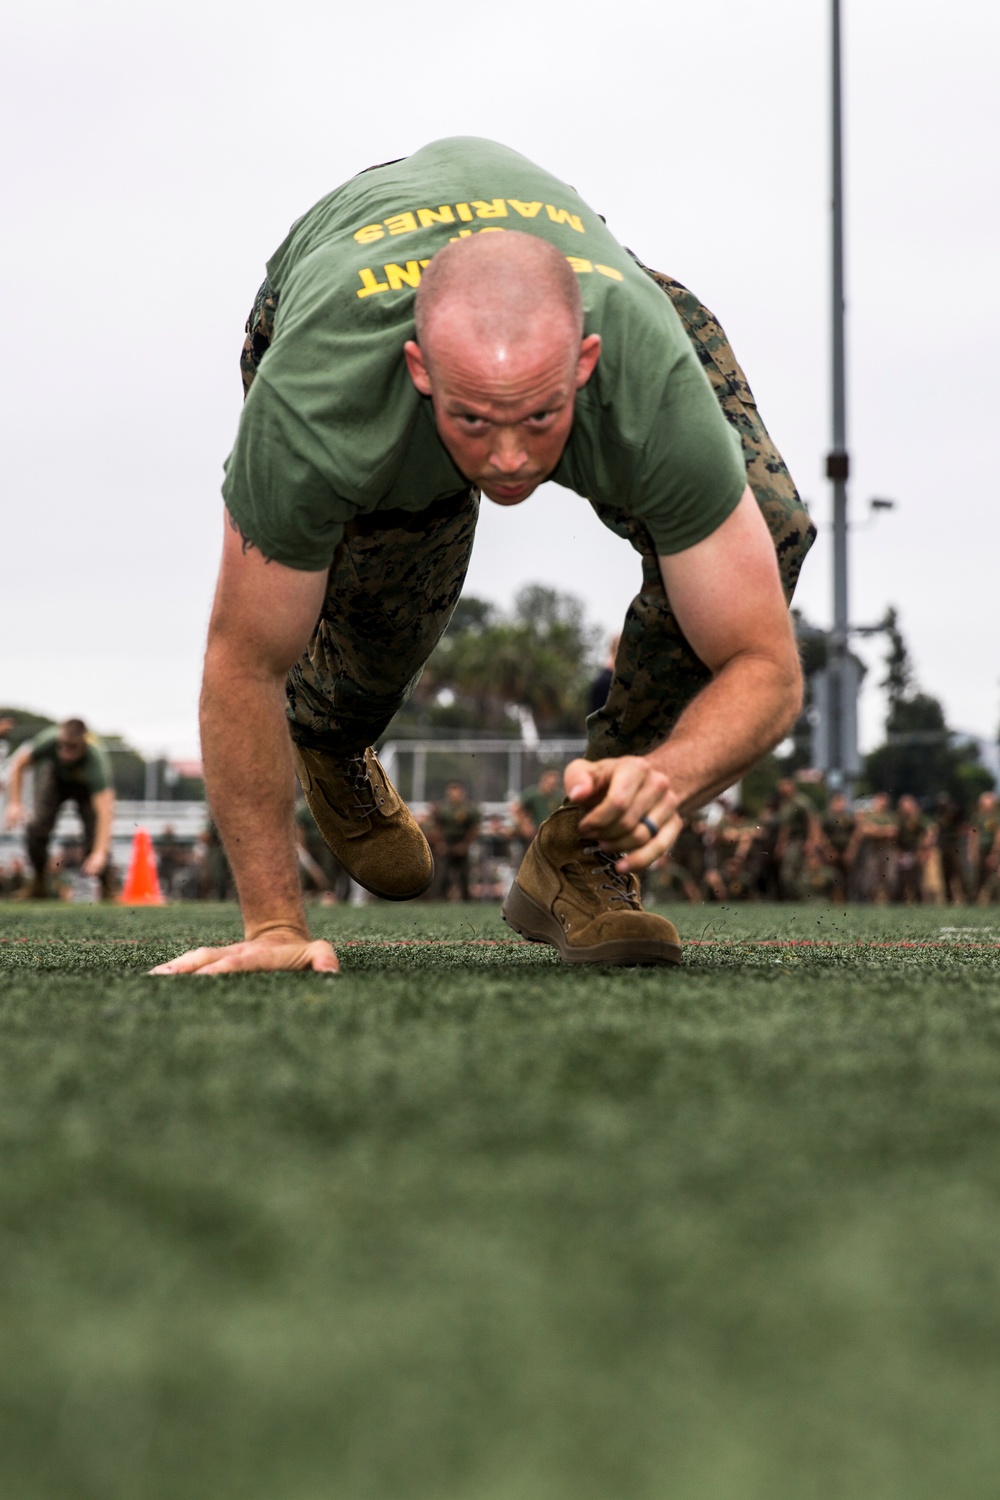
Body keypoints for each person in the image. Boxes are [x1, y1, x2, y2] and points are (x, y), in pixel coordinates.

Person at [151, 137, 812, 977]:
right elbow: (244, 659)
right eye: (472, 422)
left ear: (586, 364)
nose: (507, 461)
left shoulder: (645, 376)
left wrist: (667, 776)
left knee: (770, 522)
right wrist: (273, 928)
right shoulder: (321, 396)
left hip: (578, 274)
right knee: (400, 564)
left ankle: (584, 847)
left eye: (538, 419)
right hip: (334, 275)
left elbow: (765, 662)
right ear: (418, 371)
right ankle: (332, 734)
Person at [3, 718, 115, 899]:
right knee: (37, 827)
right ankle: (39, 884)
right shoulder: (48, 741)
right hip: (56, 780)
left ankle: (107, 889)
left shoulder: (96, 761)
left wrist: (100, 852)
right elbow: (18, 765)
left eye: (72, 747)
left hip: (85, 789)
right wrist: (14, 803)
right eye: (62, 745)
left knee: (95, 836)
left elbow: (105, 811)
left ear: (83, 744)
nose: (65, 752)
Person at [426, 781, 482, 902]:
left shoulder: (469, 808)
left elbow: (474, 828)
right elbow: (437, 826)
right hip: (446, 842)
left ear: (462, 793)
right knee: (441, 873)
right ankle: (438, 899)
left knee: (464, 874)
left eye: (456, 793)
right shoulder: (442, 808)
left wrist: (465, 845)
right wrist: (441, 843)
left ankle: (467, 900)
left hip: (462, 841)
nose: (453, 796)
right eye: (451, 793)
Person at [512, 767, 564, 842]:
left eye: (554, 784)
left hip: (551, 833)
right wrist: (525, 825)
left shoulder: (557, 797)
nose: (551, 787)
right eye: (550, 784)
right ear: (543, 781)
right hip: (535, 833)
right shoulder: (533, 794)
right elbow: (516, 808)